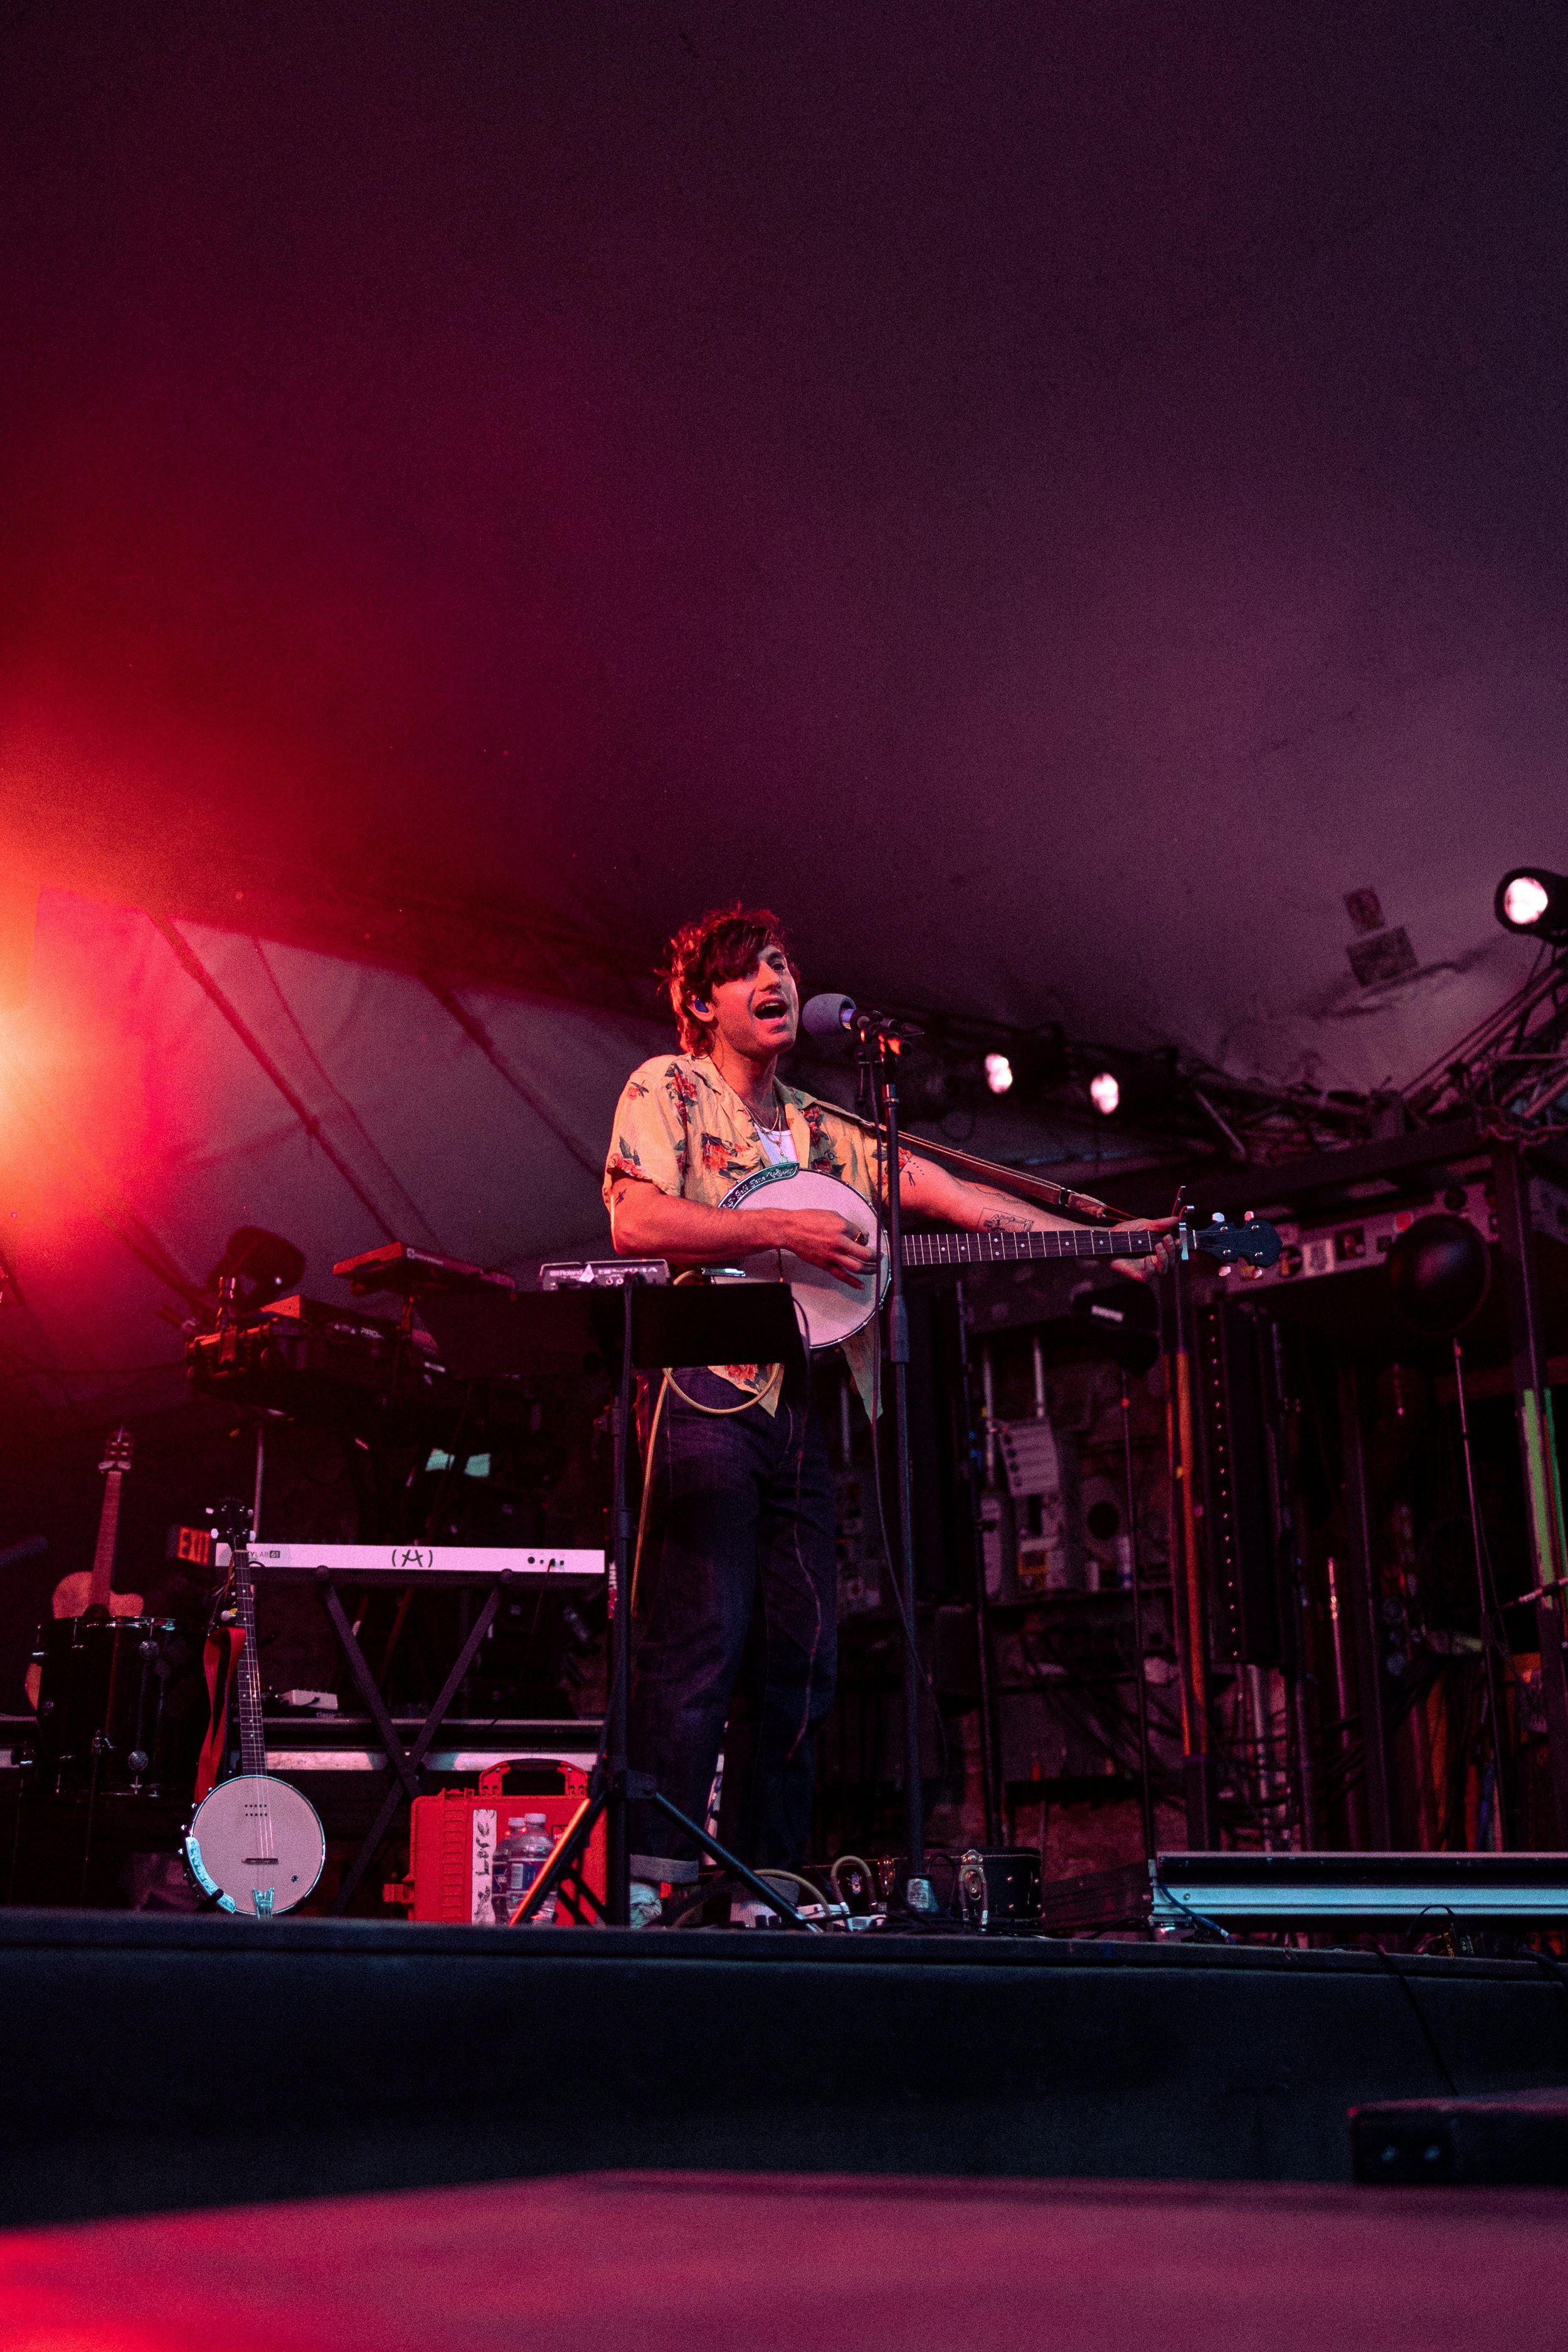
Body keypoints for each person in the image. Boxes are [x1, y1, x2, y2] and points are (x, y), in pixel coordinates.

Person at [603, 904, 1170, 1908]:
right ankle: (656, 1885)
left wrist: (1097, 1239)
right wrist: (776, 1228)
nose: (774, 977)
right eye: (746, 970)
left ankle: (761, 1887)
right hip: (705, 1396)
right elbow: (634, 1215)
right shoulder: (667, 1086)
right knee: (700, 1641)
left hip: (799, 1410)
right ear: (702, 1003)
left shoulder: (826, 1127)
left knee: (804, 1652)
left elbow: (947, 1192)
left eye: (781, 959)